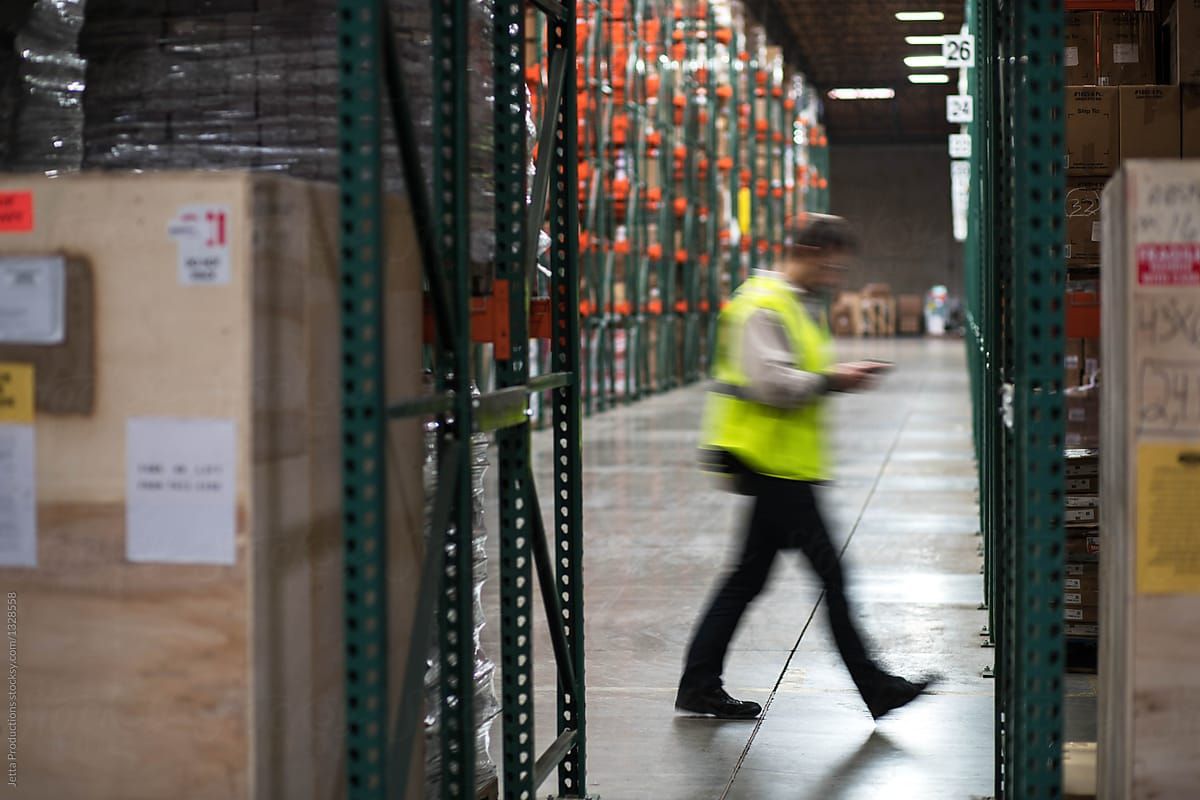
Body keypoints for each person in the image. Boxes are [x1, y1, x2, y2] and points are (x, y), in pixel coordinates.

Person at [675, 214, 936, 721]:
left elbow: (798, 374)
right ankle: (874, 686)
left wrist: (835, 376)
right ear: (810, 252)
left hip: (785, 463)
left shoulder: (794, 306)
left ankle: (699, 683)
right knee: (833, 577)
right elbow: (774, 383)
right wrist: (836, 379)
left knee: (746, 579)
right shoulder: (761, 305)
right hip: (771, 463)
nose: (836, 276)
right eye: (832, 265)